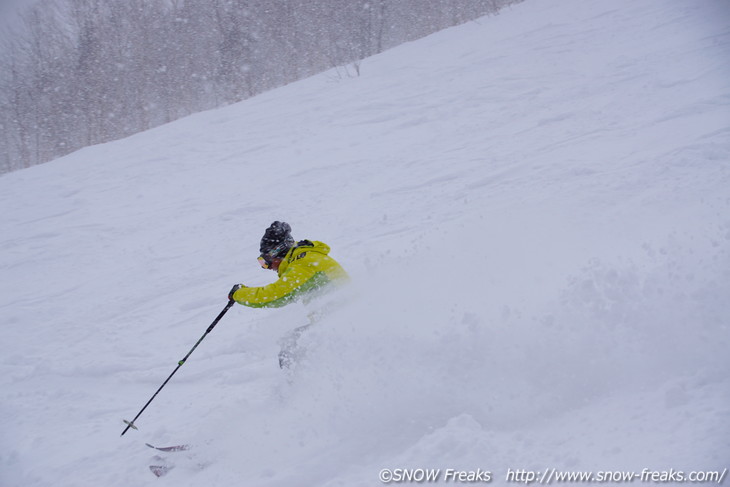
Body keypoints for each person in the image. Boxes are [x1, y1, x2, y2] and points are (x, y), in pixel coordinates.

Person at [228, 221, 349, 367]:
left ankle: (304, 386)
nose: (267, 267)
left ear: (278, 252)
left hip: (342, 322)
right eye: (262, 263)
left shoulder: (304, 263)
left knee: (291, 347)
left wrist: (239, 294)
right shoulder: (305, 258)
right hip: (337, 319)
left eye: (266, 261)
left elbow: (274, 296)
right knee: (293, 343)